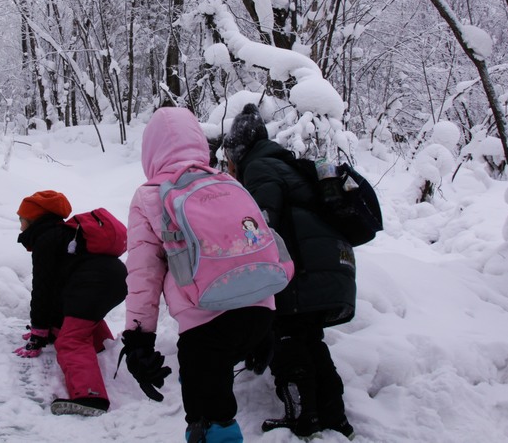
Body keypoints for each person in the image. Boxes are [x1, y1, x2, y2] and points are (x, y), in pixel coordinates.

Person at [120, 106, 275, 443]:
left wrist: (138, 340)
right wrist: (266, 324)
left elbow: (143, 274)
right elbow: (257, 245)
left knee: (210, 421)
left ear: (150, 150)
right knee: (213, 403)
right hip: (259, 312)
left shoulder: (149, 196)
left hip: (206, 326)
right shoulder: (228, 181)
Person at [223, 103, 356, 439]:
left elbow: (261, 223)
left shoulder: (260, 168)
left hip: (301, 274)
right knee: (310, 339)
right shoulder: (286, 165)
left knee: (287, 340)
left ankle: (303, 415)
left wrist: (240, 251)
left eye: (230, 156)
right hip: (328, 269)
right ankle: (334, 416)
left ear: (239, 150)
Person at [14, 189, 127, 417]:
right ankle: (105, 352)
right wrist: (48, 329)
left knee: (72, 339)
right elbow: (58, 291)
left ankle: (90, 397)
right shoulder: (62, 234)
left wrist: (38, 332)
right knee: (82, 321)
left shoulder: (47, 239)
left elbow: (43, 289)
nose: (20, 227)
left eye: (22, 221)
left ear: (33, 220)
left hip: (95, 281)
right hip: (112, 278)